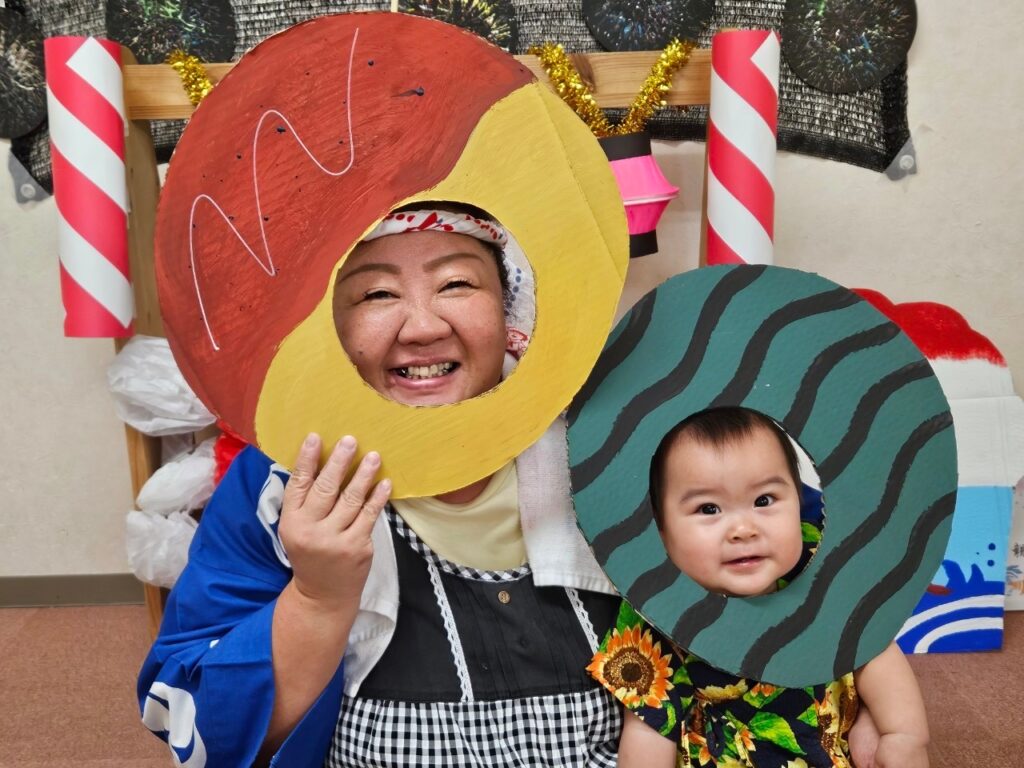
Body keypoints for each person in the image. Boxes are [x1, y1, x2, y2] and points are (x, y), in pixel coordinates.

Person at [138, 205, 624, 767]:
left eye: (457, 283)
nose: (423, 327)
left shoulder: (609, 446)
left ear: (509, 303)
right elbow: (197, 725)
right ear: (330, 329)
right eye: (376, 295)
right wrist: (317, 600)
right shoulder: (277, 479)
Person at [588, 407, 929, 768]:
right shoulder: (655, 611)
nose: (743, 529)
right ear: (661, 531)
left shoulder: (817, 568)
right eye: (708, 508)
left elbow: (873, 647)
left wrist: (903, 734)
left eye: (764, 501)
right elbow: (649, 729)